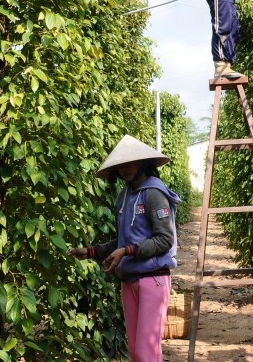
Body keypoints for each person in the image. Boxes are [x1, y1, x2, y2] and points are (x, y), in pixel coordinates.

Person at [69, 134, 181, 362]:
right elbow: (121, 241)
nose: (125, 169)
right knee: (138, 352)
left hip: (153, 279)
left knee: (147, 351)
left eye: (129, 163)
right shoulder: (124, 198)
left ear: (143, 163)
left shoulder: (154, 194)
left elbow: (164, 239)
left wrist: (127, 252)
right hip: (129, 280)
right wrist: (90, 251)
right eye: (120, 166)